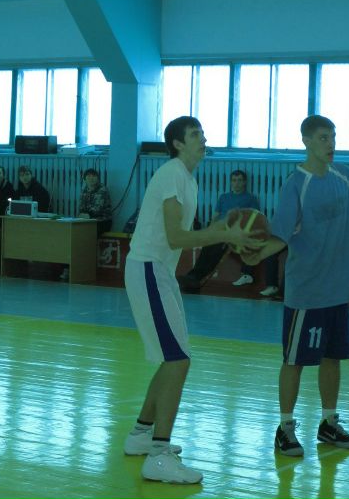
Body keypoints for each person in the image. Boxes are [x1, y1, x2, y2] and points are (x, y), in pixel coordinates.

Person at [123, 116, 262, 484]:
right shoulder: (172, 173)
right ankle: (158, 456)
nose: (203, 139)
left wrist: (224, 232)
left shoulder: (187, 180)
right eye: (195, 134)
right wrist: (222, 235)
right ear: (178, 143)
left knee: (174, 358)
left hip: (160, 273)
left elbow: (188, 235)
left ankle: (141, 435)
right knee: (177, 360)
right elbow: (176, 237)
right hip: (148, 270)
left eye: (202, 133)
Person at [243, 115, 349, 457]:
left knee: (334, 358)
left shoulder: (345, 175)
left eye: (333, 137)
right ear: (306, 141)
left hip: (340, 288)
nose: (330, 144)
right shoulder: (295, 185)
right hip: (307, 292)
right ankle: (285, 427)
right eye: (323, 138)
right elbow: (281, 236)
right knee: (294, 361)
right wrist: (258, 255)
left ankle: (329, 423)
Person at [178, 169, 261, 292]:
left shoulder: (250, 199)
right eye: (234, 180)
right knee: (207, 247)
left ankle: (197, 279)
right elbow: (215, 216)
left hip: (233, 232)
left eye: (239, 180)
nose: (236, 183)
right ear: (230, 182)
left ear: (244, 182)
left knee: (216, 250)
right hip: (219, 229)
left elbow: (254, 218)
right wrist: (210, 230)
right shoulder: (224, 197)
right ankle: (193, 276)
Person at [60, 168, 112, 280]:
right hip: (87, 221)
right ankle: (68, 267)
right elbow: (81, 207)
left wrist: (86, 214)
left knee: (84, 239)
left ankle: (82, 270)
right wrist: (84, 214)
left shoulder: (102, 189)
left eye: (93, 176)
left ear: (97, 178)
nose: (91, 178)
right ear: (84, 179)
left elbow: (97, 209)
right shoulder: (85, 190)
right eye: (88, 176)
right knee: (71, 236)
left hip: (102, 221)